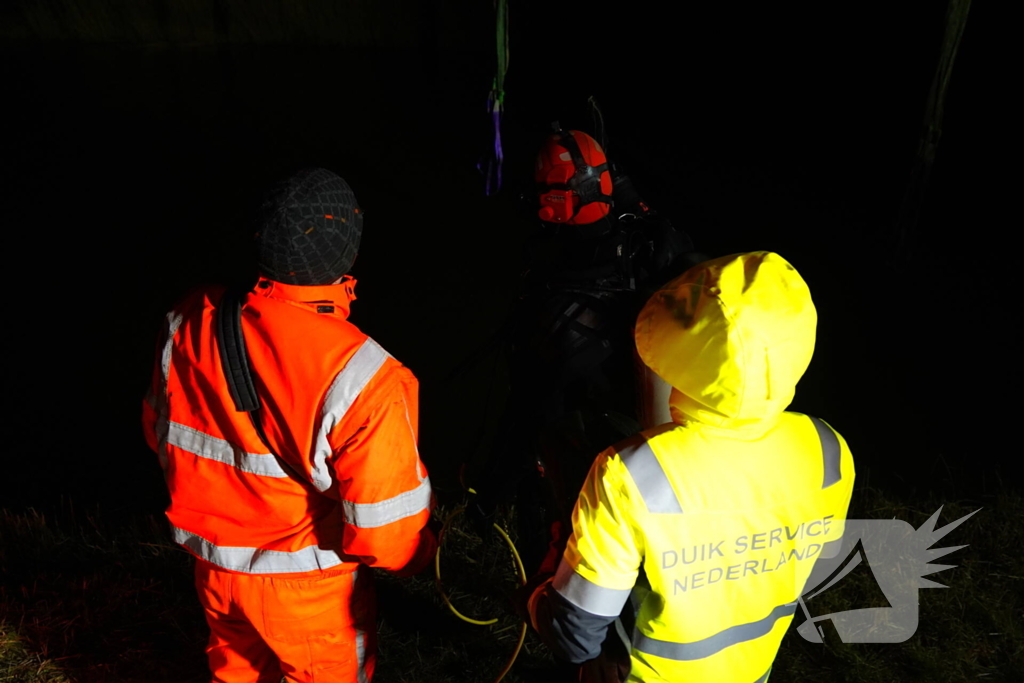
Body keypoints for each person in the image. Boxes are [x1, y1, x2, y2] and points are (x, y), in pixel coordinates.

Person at [141, 167, 437, 683]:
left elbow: (158, 431)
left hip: (214, 572)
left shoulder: (190, 317)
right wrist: (427, 553)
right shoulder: (367, 379)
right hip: (311, 594)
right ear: (348, 251)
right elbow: (387, 539)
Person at [524, 251, 856, 683]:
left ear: (683, 345)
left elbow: (574, 637)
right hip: (754, 671)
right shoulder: (828, 449)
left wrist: (536, 596)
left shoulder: (629, 473)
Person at [467, 125, 704, 575]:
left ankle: (553, 582)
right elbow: (633, 206)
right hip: (670, 443)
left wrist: (486, 493)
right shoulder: (655, 242)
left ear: (553, 206)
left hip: (601, 451)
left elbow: (525, 416)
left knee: (549, 452)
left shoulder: (559, 314)